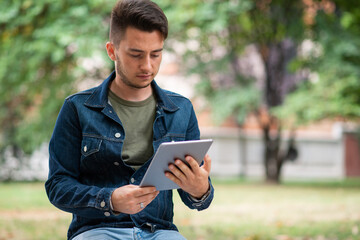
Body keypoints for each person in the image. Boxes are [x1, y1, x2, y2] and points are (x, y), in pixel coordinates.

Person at [45, 0, 214, 239]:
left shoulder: (181, 110)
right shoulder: (77, 108)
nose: (148, 65)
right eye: (136, 54)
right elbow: (57, 186)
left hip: (159, 232)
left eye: (156, 54)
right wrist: (110, 200)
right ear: (112, 50)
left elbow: (196, 199)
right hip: (98, 230)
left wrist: (200, 190)